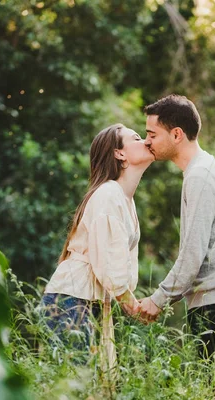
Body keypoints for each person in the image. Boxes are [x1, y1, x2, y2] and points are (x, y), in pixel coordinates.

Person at [139, 95, 215, 382]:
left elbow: (192, 253)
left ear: (177, 134)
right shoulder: (202, 170)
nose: (147, 141)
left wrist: (158, 299)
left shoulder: (200, 175)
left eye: (152, 134)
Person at [42, 123, 154, 369]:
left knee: (91, 387)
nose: (146, 140)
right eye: (136, 137)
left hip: (89, 300)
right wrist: (133, 305)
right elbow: (110, 267)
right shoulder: (108, 194)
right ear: (119, 153)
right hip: (71, 299)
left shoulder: (126, 200)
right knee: (74, 387)